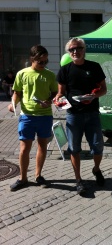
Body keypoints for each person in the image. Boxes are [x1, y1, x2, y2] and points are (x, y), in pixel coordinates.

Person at [55, 37, 107, 195]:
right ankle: (78, 180)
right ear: (68, 52)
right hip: (73, 115)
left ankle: (96, 169)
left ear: (84, 50)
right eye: (72, 49)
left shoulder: (94, 67)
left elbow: (104, 89)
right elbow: (61, 93)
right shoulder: (65, 70)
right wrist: (58, 100)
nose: (75, 51)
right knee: (74, 149)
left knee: (98, 147)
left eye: (78, 48)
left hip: (92, 114)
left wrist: (94, 95)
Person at [8, 45, 58, 191]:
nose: (43, 64)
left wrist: (49, 101)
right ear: (32, 59)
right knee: (24, 148)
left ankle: (38, 175)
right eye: (40, 62)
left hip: (45, 115)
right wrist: (13, 104)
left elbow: (55, 93)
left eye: (46, 62)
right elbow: (17, 93)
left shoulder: (49, 75)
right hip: (27, 116)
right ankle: (23, 178)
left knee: (42, 146)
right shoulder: (22, 74)